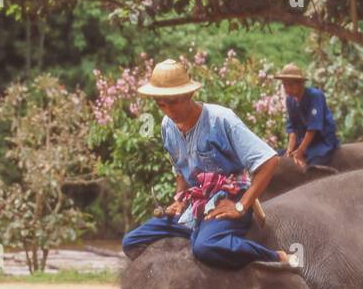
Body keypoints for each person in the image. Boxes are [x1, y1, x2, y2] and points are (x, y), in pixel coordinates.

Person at [121, 59, 296, 270]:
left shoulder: (220, 119)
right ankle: (197, 232)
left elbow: (269, 160)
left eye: (174, 102)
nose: (168, 110)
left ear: (189, 95)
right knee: (131, 241)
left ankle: (276, 257)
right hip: (196, 202)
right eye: (161, 104)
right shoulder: (167, 126)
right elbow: (179, 167)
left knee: (205, 247)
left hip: (229, 196)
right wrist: (179, 200)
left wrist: (241, 206)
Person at [274, 63, 339, 170]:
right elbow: (292, 129)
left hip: (321, 142)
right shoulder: (290, 100)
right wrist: (290, 150)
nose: (287, 89)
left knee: (313, 167)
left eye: (290, 85)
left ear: (300, 84)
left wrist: (300, 151)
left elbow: (313, 128)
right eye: (285, 85)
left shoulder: (315, 96)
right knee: (276, 155)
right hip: (302, 141)